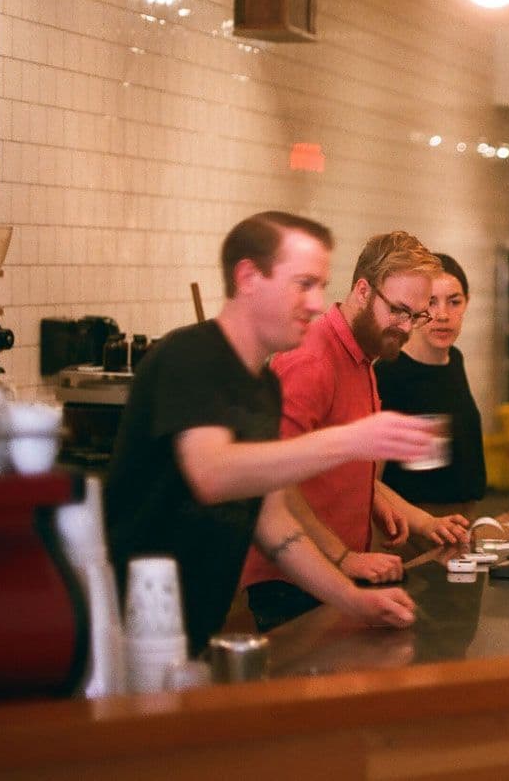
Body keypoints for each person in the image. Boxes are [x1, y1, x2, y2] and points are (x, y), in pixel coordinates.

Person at [104, 212, 441, 654]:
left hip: (192, 621)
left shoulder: (260, 385)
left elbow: (272, 517)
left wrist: (353, 600)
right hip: (126, 619)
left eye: (320, 286)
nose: (318, 303)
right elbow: (211, 473)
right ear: (248, 277)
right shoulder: (191, 355)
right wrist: (350, 440)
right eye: (303, 284)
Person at [239, 232, 470, 632]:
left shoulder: (364, 356)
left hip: (333, 573)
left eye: (415, 316)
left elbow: (336, 461)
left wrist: (390, 506)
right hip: (291, 581)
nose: (405, 328)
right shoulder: (312, 361)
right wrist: (343, 556)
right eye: (398, 311)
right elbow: (273, 481)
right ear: (363, 290)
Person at [375, 253, 487, 513]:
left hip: (460, 519)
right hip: (410, 526)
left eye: (454, 302)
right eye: (431, 303)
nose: (443, 315)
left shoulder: (453, 360)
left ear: (467, 303)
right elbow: (371, 483)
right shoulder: (390, 373)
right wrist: (424, 524)